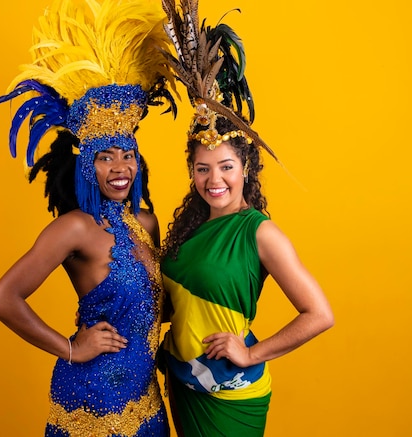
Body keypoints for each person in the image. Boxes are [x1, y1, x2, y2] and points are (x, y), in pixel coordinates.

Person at [0, 0, 176, 435]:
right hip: (92, 401)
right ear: (88, 165)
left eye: (128, 156)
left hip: (147, 398)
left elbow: (156, 311)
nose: (120, 168)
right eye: (106, 158)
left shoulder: (146, 223)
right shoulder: (74, 228)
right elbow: (2, 299)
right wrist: (70, 347)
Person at [157, 1, 334, 435]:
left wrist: (253, 354)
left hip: (229, 390)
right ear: (192, 172)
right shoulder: (189, 226)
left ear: (246, 169)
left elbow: (319, 314)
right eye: (203, 168)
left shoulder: (260, 233)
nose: (214, 179)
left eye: (226, 167)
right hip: (183, 379)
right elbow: (174, 306)